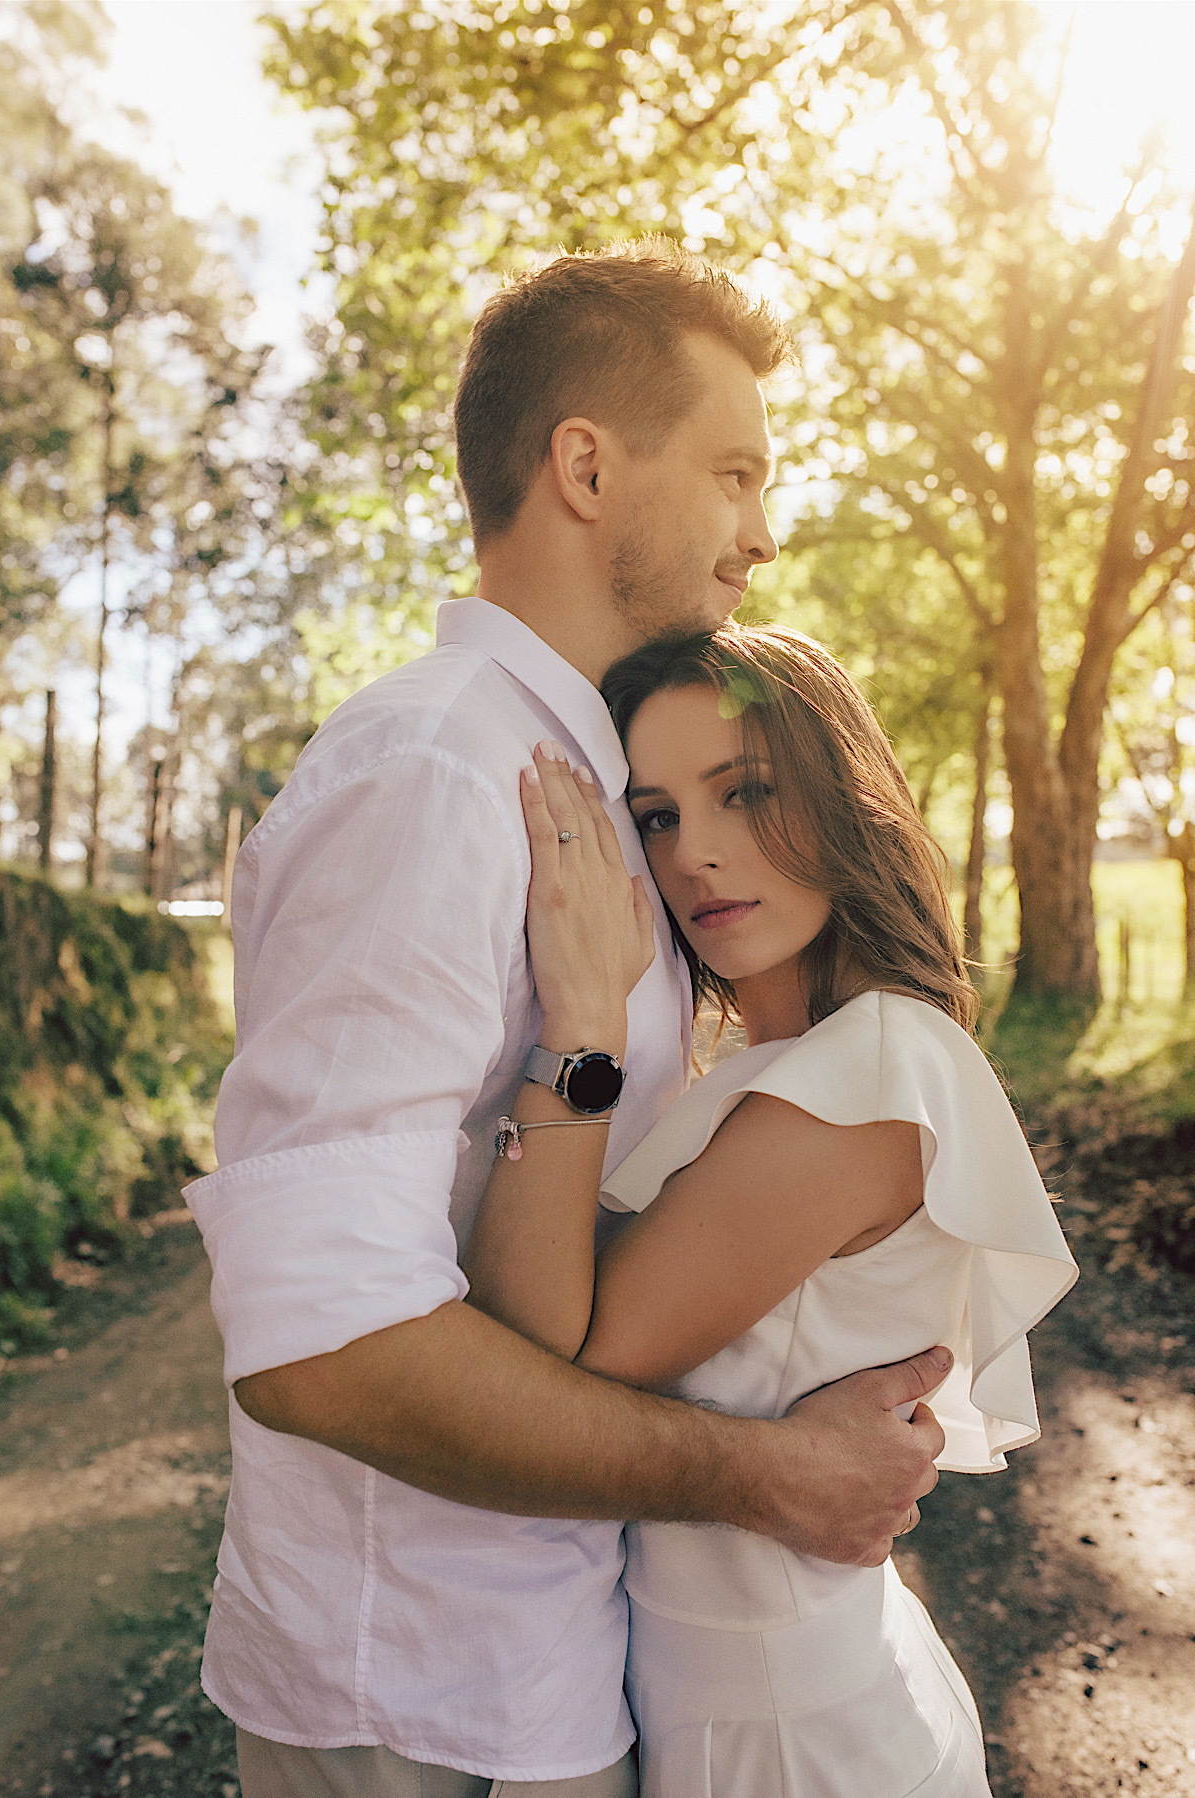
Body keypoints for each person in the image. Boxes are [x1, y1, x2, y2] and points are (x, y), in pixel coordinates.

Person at [184, 241, 953, 1798]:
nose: (763, 532)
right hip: (415, 1693)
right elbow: (319, 1347)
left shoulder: (597, 793)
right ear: (586, 465)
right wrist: (768, 1477)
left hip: (551, 1669)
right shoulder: (436, 774)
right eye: (735, 472)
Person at [463, 624, 1078, 1797]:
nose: (696, 853)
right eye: (656, 816)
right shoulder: (768, 1070)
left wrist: (581, 1026)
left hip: (790, 1742)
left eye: (744, 791)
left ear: (846, 800)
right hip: (743, 1705)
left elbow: (545, 1356)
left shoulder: (864, 1078)